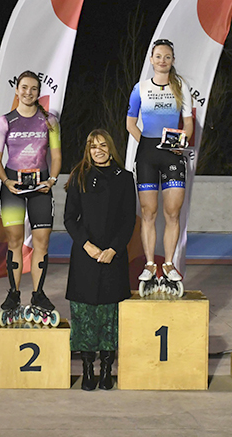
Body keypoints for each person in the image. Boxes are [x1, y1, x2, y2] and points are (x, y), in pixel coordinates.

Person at [64, 129, 136, 391]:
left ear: (110, 148)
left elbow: (128, 219)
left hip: (113, 256)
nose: (98, 151)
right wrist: (87, 246)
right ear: (88, 150)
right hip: (85, 256)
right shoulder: (79, 176)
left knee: (109, 316)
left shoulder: (124, 178)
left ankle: (106, 368)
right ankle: (87, 369)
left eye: (103, 145)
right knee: (84, 315)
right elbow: (69, 218)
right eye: (93, 146)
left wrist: (113, 249)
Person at [0, 70, 62, 326]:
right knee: (15, 241)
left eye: (33, 88)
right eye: (24, 87)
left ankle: (38, 294)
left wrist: (51, 180)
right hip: (13, 187)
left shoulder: (50, 121)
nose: (28, 92)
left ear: (39, 92)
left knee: (42, 241)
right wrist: (6, 181)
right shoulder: (5, 121)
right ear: (17, 90)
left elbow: (56, 156)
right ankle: (13, 293)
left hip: (41, 187)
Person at [126, 38, 193, 295]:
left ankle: (169, 264)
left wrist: (181, 142)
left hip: (172, 154)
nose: (162, 60)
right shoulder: (140, 88)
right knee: (148, 212)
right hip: (147, 154)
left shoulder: (181, 87)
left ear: (172, 60)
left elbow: (188, 123)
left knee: (172, 213)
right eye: (158, 56)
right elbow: (130, 123)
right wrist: (146, 144)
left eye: (167, 56)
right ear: (151, 60)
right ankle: (149, 264)